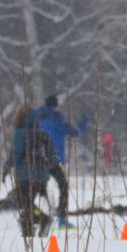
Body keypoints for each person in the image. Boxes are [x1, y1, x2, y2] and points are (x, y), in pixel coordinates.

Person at [3, 105, 60, 238]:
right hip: (41, 175)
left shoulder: (20, 132)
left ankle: (40, 221)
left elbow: (16, 153)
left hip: (25, 175)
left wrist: (7, 166)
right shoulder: (40, 131)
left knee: (26, 204)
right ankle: (32, 227)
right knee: (27, 205)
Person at [36, 95, 89, 228]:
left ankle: (36, 214)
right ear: (56, 106)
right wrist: (84, 121)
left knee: (38, 188)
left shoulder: (36, 118)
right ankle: (61, 219)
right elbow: (75, 132)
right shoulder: (58, 119)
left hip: (38, 158)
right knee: (63, 187)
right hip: (55, 159)